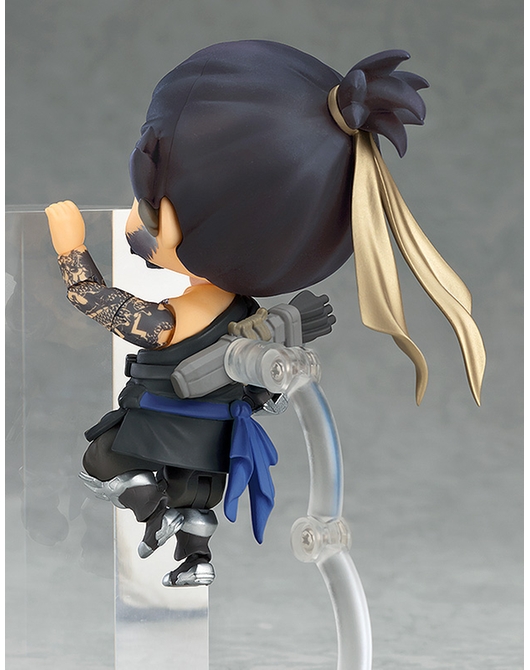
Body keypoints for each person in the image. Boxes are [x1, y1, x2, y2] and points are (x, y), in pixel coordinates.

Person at [46, 40, 485, 586]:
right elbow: (265, 390)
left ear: (174, 221)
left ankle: (155, 511)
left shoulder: (185, 317)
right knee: (197, 498)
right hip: (219, 442)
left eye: (146, 202)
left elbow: (97, 301)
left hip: (162, 429)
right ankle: (196, 558)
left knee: (102, 460)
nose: (138, 216)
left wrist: (70, 248)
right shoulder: (247, 315)